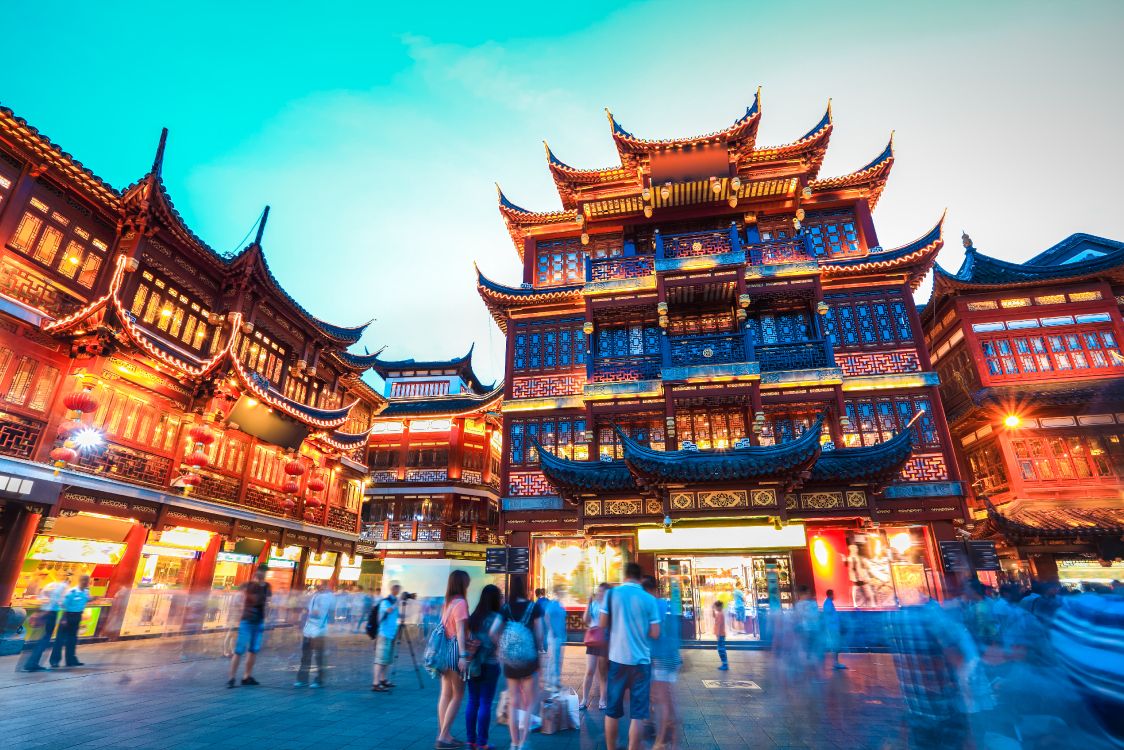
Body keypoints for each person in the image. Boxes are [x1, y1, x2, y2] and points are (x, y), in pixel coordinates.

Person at [600, 562, 660, 750]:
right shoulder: (649, 598)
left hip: (617, 659)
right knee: (638, 714)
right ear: (640, 578)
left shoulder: (611, 594)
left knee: (612, 710)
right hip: (641, 661)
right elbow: (655, 632)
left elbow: (602, 624)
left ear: (624, 575)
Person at [501, 574, 544, 750]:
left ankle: (513, 742)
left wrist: (501, 649)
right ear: (525, 588)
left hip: (510, 660)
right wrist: (539, 651)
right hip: (528, 659)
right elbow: (540, 634)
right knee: (530, 701)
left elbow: (494, 630)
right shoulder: (533, 607)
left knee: (513, 701)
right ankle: (524, 741)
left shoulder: (505, 608)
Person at [644, 576, 682, 750]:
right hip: (670, 655)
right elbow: (675, 629)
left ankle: (661, 741)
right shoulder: (666, 604)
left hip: (660, 656)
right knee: (665, 698)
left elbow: (654, 633)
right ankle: (672, 737)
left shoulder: (653, 605)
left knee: (663, 700)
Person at [465, 584, 504, 750]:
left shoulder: (473, 617)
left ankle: (470, 742)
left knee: (473, 701)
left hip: (473, 665)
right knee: (485, 703)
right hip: (490, 664)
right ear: (495, 599)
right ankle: (482, 743)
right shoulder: (497, 617)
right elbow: (499, 640)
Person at [435, 570, 471, 750]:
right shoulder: (461, 603)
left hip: (443, 652)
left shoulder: (447, 603)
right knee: (458, 695)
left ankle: (445, 734)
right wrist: (464, 656)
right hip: (456, 653)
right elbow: (460, 633)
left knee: (445, 694)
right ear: (463, 583)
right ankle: (443, 737)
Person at [227, 565, 271, 688]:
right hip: (247, 621)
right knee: (239, 650)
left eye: (264, 573)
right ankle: (232, 677)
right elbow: (238, 600)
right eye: (261, 573)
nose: (262, 576)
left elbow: (267, 603)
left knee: (252, 650)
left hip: (257, 621)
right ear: (256, 574)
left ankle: (246, 676)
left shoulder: (266, 587)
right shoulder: (247, 586)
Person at [23, 571, 69, 672]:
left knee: (41, 637)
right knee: (45, 639)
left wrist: (42, 611)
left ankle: (32, 663)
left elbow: (41, 597)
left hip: (43, 610)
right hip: (51, 613)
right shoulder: (63, 587)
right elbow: (60, 602)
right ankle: (32, 664)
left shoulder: (50, 585)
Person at [295, 580, 334, 688]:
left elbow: (318, 613)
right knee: (306, 655)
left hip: (319, 630)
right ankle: (302, 679)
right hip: (308, 629)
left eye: (321, 585)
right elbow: (309, 610)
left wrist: (308, 613)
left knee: (318, 656)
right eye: (318, 585)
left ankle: (319, 680)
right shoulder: (315, 596)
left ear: (326, 586)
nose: (319, 587)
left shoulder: (328, 597)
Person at [49, 574, 91, 669]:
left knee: (72, 640)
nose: (87, 582)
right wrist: (64, 618)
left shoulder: (86, 592)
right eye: (85, 580)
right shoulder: (71, 592)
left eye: (88, 581)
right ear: (80, 581)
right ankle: (54, 661)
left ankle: (71, 660)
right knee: (60, 640)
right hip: (67, 616)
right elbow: (64, 605)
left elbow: (85, 600)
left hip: (77, 617)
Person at [580, 583, 611, 710]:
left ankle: (603, 700)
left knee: (603, 673)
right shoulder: (594, 604)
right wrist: (588, 602)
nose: (599, 593)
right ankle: (584, 700)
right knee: (589, 671)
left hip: (605, 640)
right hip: (593, 639)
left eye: (602, 591)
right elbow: (586, 620)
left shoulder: (609, 605)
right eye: (598, 591)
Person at [536, 586, 567, 693]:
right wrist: (551, 629)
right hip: (554, 636)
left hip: (559, 636)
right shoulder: (553, 604)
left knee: (555, 660)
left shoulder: (559, 604)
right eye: (561, 591)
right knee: (554, 660)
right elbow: (546, 616)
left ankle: (552, 683)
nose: (563, 593)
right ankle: (553, 684)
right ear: (557, 592)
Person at [371, 582, 401, 692]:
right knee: (380, 659)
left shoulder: (393, 602)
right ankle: (375, 683)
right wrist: (397, 603)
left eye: (398, 588)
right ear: (392, 589)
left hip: (392, 634)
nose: (397, 590)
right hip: (383, 634)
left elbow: (396, 615)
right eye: (396, 588)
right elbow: (389, 610)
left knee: (387, 659)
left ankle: (383, 679)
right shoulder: (385, 602)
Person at [822, 589, 845, 670]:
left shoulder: (829, 603)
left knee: (836, 645)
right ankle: (836, 662)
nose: (834, 596)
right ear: (830, 595)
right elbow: (828, 616)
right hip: (832, 629)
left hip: (833, 628)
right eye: (833, 594)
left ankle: (836, 662)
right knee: (835, 645)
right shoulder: (828, 603)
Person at [713, 599, 728, 670]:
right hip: (721, 634)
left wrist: (718, 635)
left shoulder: (720, 614)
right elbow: (714, 617)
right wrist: (712, 609)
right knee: (721, 649)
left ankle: (725, 664)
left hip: (721, 635)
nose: (715, 608)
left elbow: (719, 625)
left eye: (716, 607)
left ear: (719, 607)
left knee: (721, 649)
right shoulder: (719, 613)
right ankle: (724, 664)